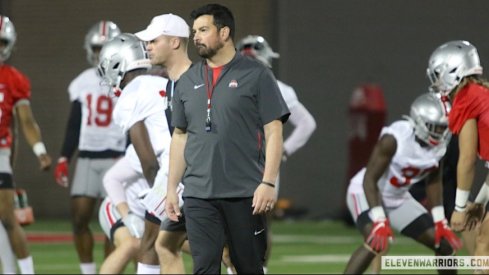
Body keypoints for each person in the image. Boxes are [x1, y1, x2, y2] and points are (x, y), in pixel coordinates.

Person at [165, 4, 290, 274]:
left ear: (224, 32)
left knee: (248, 268)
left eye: (203, 30)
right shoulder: (187, 81)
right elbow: (180, 136)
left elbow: (274, 130)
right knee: (204, 269)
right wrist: (171, 188)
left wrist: (268, 182)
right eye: (194, 31)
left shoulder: (257, 75)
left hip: (244, 194)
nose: (196, 37)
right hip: (199, 195)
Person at [344, 93, 462, 274]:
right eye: (436, 128)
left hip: (397, 198)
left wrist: (439, 220)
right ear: (420, 122)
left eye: (443, 128)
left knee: (444, 245)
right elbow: (369, 179)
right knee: (375, 241)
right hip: (365, 192)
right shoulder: (394, 139)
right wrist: (380, 219)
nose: (441, 133)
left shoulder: (439, 146)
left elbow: (433, 179)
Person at [96, 32, 180, 274]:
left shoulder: (131, 95)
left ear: (117, 63)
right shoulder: (167, 82)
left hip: (171, 174)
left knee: (152, 245)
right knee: (186, 247)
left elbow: (148, 162)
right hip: (196, 166)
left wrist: (164, 196)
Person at [236, 34, 316, 274]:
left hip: (240, 161)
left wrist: (283, 150)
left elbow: (307, 124)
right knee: (259, 223)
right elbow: (307, 123)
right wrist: (283, 151)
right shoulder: (278, 88)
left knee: (235, 219)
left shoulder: (228, 85)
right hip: (262, 161)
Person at [53, 20, 125, 274]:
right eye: (97, 48)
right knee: (80, 219)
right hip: (86, 158)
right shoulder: (82, 81)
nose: (100, 54)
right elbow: (74, 124)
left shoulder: (126, 80)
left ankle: (108, 270)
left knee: (113, 224)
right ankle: (88, 271)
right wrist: (64, 157)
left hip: (117, 159)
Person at [134, 13, 192, 274]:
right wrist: (171, 186)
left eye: (154, 40)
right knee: (164, 244)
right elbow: (178, 138)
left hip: (206, 182)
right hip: (185, 180)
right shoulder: (171, 85)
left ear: (175, 42)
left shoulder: (197, 82)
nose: (148, 46)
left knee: (222, 251)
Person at [426, 40, 489, 257]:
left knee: (484, 244)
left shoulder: (466, 98)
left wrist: (460, 208)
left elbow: (467, 159)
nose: (436, 83)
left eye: (437, 75)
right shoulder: (480, 93)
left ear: (452, 71)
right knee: (483, 239)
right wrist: (480, 202)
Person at [0, 15, 52, 274]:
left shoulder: (13, 78)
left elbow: (26, 122)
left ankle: (26, 271)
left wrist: (40, 150)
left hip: (0, 152)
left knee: (7, 218)